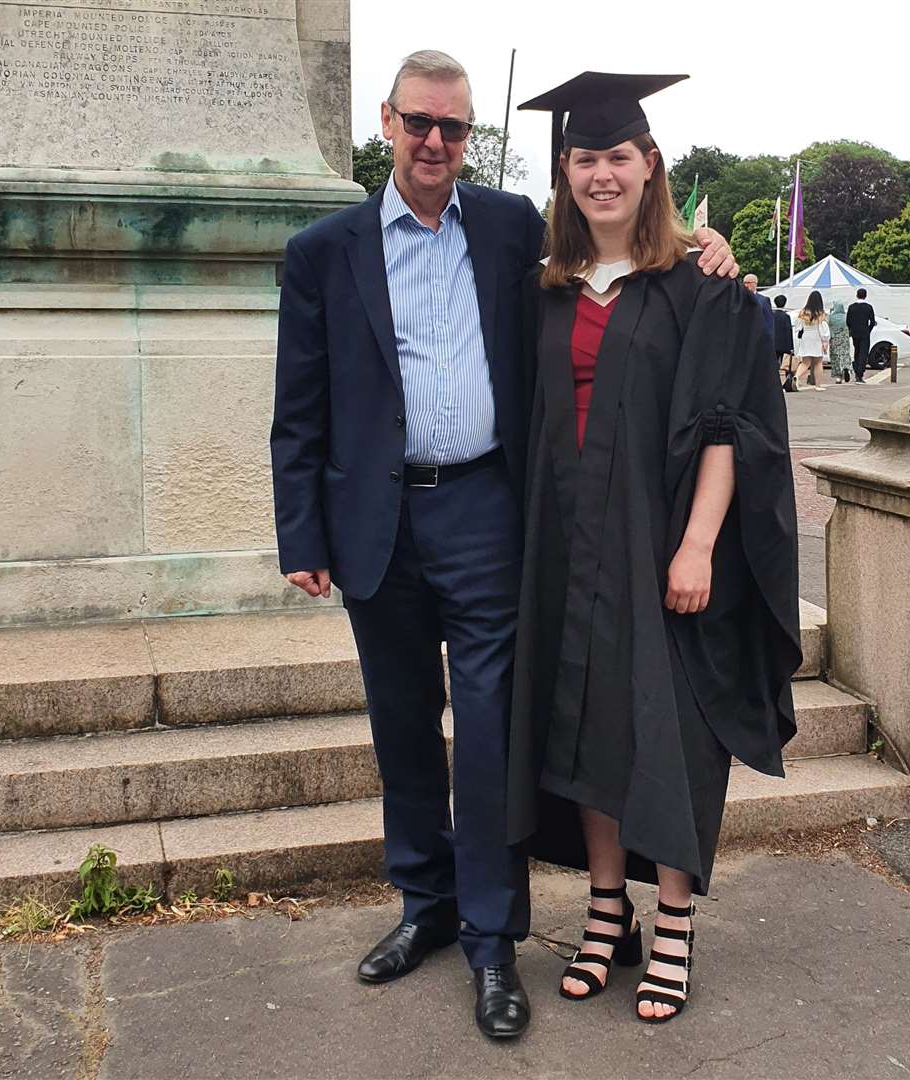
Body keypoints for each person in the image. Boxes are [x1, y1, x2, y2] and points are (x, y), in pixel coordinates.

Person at [270, 50, 737, 1040]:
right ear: (387, 122)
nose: (436, 142)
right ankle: (422, 907)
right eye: (419, 124)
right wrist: (299, 532)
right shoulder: (322, 252)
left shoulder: (507, 227)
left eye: (454, 127)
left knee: (488, 732)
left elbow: (618, 242)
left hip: (486, 511)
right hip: (376, 526)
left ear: (469, 134)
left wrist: (709, 241)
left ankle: (490, 938)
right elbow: (298, 409)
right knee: (402, 727)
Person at [508, 71, 800, 1025]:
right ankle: (606, 913)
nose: (602, 174)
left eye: (617, 157)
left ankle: (672, 921)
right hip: (567, 544)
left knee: (667, 730)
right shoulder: (545, 292)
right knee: (583, 724)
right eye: (585, 159)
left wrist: (700, 546)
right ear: (566, 172)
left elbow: (728, 428)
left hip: (660, 543)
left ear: (650, 166)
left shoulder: (695, 285)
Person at [792, 290, 831, 390]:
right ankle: (818, 385)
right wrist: (825, 341)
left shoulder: (803, 312)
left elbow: (798, 327)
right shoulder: (821, 314)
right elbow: (823, 329)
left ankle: (796, 377)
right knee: (818, 362)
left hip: (806, 337)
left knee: (805, 362)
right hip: (816, 337)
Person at [846, 287, 876, 383]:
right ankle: (860, 374)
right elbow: (872, 321)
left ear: (857, 295)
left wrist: (851, 329)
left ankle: (856, 371)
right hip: (864, 333)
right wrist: (868, 330)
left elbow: (848, 321)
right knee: (864, 353)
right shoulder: (868, 307)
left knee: (857, 351)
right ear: (865, 296)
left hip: (855, 332)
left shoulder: (851, 307)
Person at [773, 294, 795, 391]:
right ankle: (785, 382)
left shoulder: (772, 315)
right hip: (784, 344)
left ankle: (774, 382)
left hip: (773, 343)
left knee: (774, 364)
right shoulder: (786, 316)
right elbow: (788, 331)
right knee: (786, 365)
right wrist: (791, 346)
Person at [828, 299, 854, 383]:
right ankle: (846, 368)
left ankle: (838, 377)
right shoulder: (846, 316)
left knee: (835, 357)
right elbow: (850, 327)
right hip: (844, 339)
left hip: (834, 339)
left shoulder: (831, 317)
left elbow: (827, 327)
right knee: (845, 355)